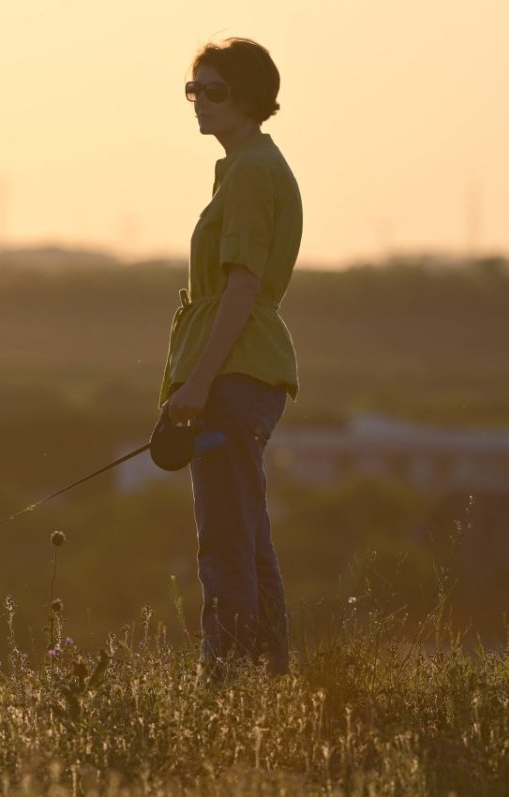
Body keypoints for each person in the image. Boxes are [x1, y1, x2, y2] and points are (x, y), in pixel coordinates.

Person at [159, 38, 302, 678]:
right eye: (194, 90)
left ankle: (227, 683)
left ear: (249, 96)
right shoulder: (248, 167)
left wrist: (197, 384)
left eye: (214, 91)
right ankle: (268, 680)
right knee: (248, 537)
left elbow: (242, 288)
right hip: (245, 372)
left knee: (224, 540)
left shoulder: (250, 170)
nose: (200, 103)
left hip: (234, 374)